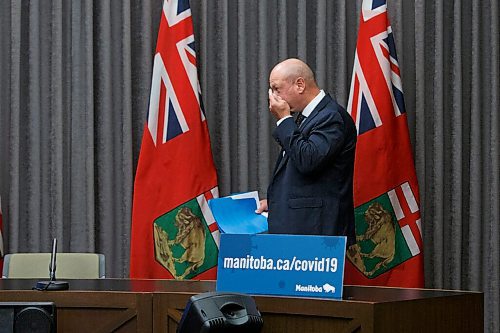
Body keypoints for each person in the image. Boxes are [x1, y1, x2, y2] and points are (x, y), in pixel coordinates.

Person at [256, 58, 357, 245]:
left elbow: (308, 160)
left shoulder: (331, 117)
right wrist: (278, 201)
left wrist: (284, 120)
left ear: (300, 85)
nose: (273, 97)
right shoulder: (307, 117)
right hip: (301, 232)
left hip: (317, 235)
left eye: (277, 89)